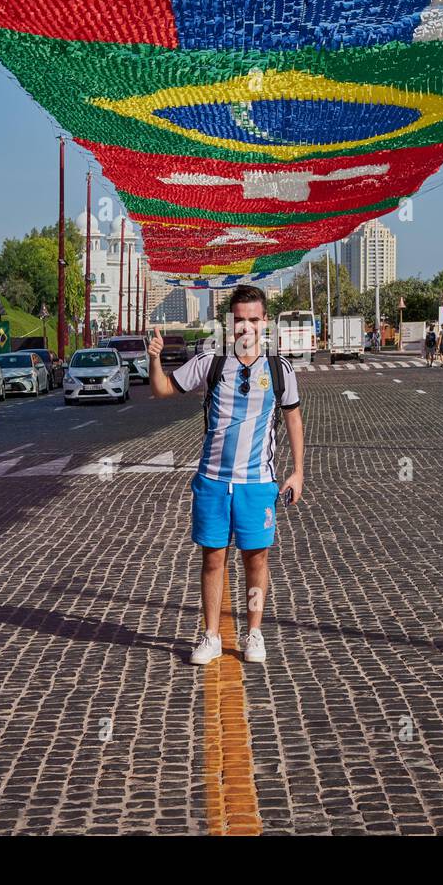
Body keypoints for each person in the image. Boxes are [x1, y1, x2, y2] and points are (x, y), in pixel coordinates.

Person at [148, 285, 305, 666]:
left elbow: (293, 418)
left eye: (253, 319)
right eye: (239, 320)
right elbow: (164, 388)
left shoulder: (278, 369)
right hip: (214, 482)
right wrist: (154, 360)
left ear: (264, 321)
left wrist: (298, 472)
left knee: (256, 560)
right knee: (213, 559)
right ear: (229, 322)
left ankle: (253, 633)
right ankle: (212, 635)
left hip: (257, 484)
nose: (246, 327)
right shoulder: (211, 361)